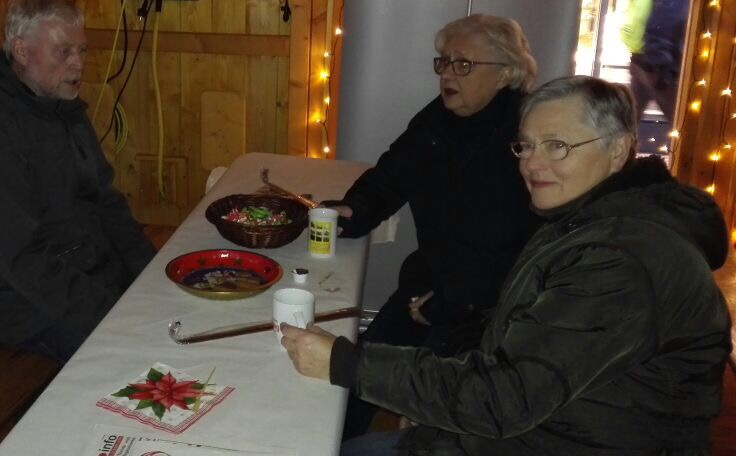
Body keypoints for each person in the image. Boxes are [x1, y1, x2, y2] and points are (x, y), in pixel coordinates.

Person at [283, 75, 731, 455]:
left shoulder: (621, 261)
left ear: (618, 150)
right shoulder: (591, 221)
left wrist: (347, 365)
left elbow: (504, 400)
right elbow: (521, 337)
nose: (532, 164)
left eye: (557, 146)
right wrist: (433, 404)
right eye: (526, 146)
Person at [327, 14, 543, 437]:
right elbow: (390, 176)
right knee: (350, 378)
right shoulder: (437, 120)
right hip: (427, 283)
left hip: (493, 310)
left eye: (463, 64)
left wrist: (458, 299)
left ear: (506, 74)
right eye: (443, 62)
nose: (447, 73)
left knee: (434, 417)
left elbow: (530, 251)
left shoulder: (527, 137)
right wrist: (355, 210)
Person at [0, 0, 156, 363]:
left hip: (83, 272)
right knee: (139, 356)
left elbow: (106, 203)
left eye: (82, 50)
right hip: (19, 303)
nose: (78, 63)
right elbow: (24, 261)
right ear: (21, 51)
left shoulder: (62, 109)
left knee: (177, 311)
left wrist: (151, 274)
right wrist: (113, 313)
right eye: (63, 51)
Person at [621, 0, 694, 139]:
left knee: (627, 125)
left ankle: (615, 155)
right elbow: (664, 22)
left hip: (643, 61)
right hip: (656, 66)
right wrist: (661, 66)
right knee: (684, 127)